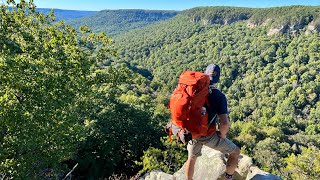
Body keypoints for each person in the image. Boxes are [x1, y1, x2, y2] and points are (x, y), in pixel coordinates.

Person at [185, 64, 240, 180]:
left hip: (192, 132)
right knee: (235, 152)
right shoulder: (219, 96)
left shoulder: (194, 89)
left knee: (192, 157)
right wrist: (222, 135)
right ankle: (228, 178)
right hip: (207, 135)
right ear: (218, 77)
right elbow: (224, 123)